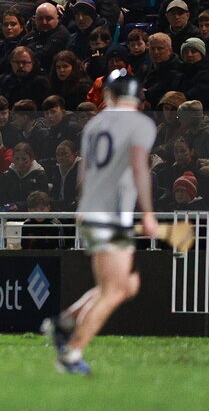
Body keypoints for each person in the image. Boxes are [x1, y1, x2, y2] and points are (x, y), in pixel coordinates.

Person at [42, 69, 157, 375]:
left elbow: (84, 174)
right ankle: (71, 354)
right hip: (111, 214)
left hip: (91, 209)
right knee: (115, 290)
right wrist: (147, 213)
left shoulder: (94, 124)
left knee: (125, 286)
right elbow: (139, 168)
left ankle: (63, 322)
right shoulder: (140, 124)